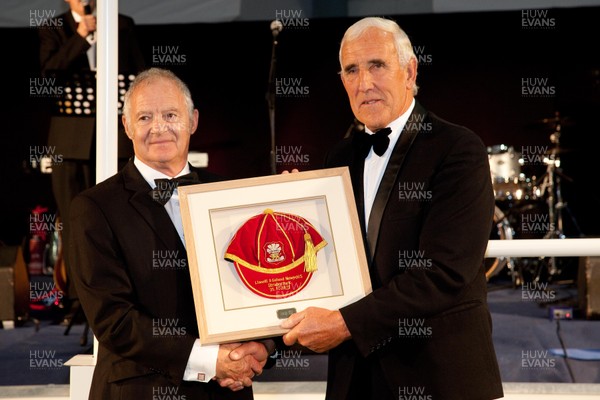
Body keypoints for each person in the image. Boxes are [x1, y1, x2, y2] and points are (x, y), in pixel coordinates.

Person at [280, 17, 504, 400]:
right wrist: (292, 216)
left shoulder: (457, 149)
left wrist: (345, 323)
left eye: (377, 65)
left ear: (410, 70)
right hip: (356, 380)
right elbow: (327, 262)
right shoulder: (339, 157)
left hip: (439, 377)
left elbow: (443, 273)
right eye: (352, 70)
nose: (364, 83)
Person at [68, 67, 271, 399]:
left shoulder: (232, 194)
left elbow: (259, 287)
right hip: (141, 390)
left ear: (192, 121)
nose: (158, 127)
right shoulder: (94, 208)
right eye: (145, 117)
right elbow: (114, 321)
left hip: (227, 389)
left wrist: (262, 347)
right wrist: (211, 360)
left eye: (170, 114)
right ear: (127, 126)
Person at [38, 0, 146, 303]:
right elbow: (49, 75)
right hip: (70, 141)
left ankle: (124, 294)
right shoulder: (54, 27)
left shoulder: (123, 23)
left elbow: (141, 76)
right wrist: (82, 35)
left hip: (115, 139)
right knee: (75, 218)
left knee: (119, 214)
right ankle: (78, 299)